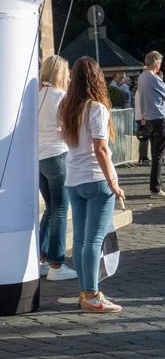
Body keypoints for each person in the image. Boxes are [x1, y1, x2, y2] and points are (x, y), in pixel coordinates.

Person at [57, 56, 125, 313]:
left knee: (83, 241)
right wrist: (113, 183)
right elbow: (101, 149)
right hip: (96, 180)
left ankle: (87, 292)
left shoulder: (66, 106)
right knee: (94, 240)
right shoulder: (97, 108)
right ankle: (91, 295)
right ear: (97, 78)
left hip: (74, 179)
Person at [37, 55, 78, 281]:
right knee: (61, 210)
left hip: (40, 159)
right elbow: (68, 130)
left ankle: (42, 259)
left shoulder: (37, 96)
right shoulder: (60, 97)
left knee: (51, 210)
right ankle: (56, 264)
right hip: (58, 155)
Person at [138, 51, 165, 199]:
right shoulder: (153, 78)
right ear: (157, 64)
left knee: (155, 154)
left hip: (149, 119)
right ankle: (156, 188)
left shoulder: (141, 77)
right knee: (159, 156)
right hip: (159, 118)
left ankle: (156, 186)